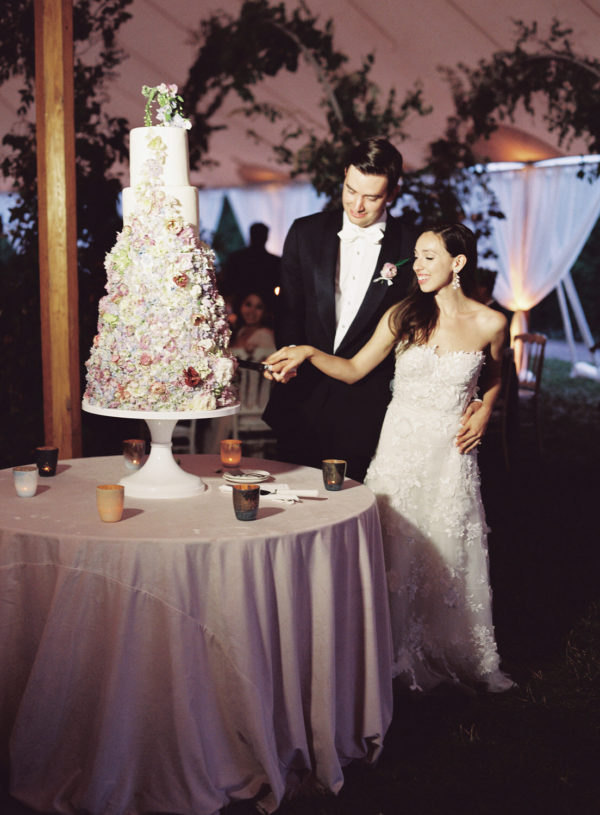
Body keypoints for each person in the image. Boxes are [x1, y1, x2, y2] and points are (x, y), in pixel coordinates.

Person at [265, 224, 514, 693]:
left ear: (458, 263)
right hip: (399, 454)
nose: (417, 266)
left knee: (448, 552)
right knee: (393, 552)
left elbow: (497, 373)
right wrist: (310, 352)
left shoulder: (492, 323)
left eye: (428, 257)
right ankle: (386, 650)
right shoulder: (403, 315)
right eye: (416, 256)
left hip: (450, 458)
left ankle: (454, 647)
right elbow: (353, 369)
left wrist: (485, 407)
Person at [262, 138, 419, 481]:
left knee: (352, 505)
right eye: (351, 190)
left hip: (366, 409)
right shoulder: (304, 232)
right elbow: (289, 310)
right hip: (301, 401)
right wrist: (288, 358)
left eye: (371, 197)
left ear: (392, 193)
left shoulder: (412, 246)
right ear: (345, 174)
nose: (357, 206)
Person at [219, 222, 281, 308]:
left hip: (242, 306)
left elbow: (227, 285)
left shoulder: (236, 258)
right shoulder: (275, 261)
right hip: (264, 307)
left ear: (250, 236)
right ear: (266, 237)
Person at [229, 290, 276, 358]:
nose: (252, 311)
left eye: (259, 307)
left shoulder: (264, 335)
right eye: (248, 304)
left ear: (265, 312)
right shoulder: (241, 331)